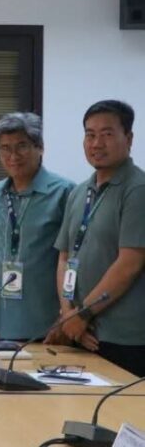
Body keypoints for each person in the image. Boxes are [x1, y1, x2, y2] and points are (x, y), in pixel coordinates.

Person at [55, 100, 145, 376]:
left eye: (107, 134)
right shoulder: (80, 191)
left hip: (124, 338)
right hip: (81, 330)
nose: (96, 143)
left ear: (128, 139)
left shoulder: (137, 189)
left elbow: (129, 263)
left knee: (119, 418)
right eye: (89, 134)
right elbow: (64, 257)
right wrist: (68, 313)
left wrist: (82, 314)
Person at [0, 113, 75, 341]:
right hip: (3, 321)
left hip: (49, 323)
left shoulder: (64, 192)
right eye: (5, 148)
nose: (13, 155)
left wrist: (67, 313)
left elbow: (75, 259)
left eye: (22, 146)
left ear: (40, 148)